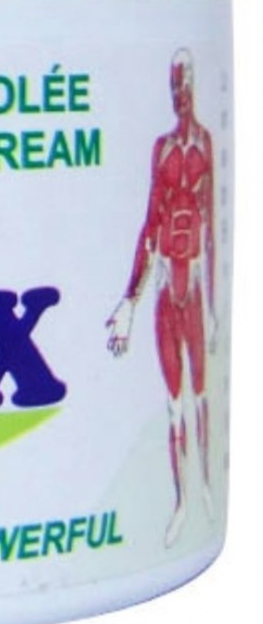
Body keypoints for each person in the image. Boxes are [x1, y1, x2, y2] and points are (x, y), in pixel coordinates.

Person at [106, 48, 216, 548]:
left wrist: (210, 306)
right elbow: (150, 225)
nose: (179, 93)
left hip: (194, 285)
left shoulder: (206, 145)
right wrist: (129, 301)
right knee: (174, 403)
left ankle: (207, 487)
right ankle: (181, 502)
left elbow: (212, 229)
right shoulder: (162, 150)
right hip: (164, 289)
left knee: (201, 395)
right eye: (174, 84)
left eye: (185, 81)